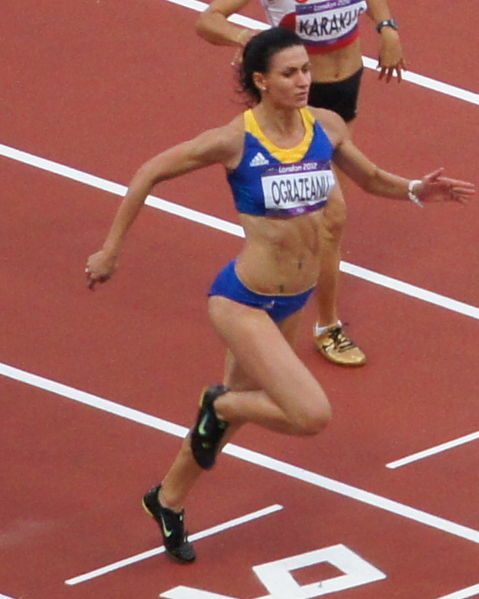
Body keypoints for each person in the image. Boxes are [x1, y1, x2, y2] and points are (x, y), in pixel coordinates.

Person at [85, 28, 474, 563]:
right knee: (309, 414)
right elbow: (150, 171)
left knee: (237, 417)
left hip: (294, 299)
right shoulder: (235, 140)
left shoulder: (327, 127)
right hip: (244, 299)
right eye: (290, 73)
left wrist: (413, 189)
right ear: (261, 81)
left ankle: (167, 499)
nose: (302, 81)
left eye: (305, 71)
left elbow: (371, 179)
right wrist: (110, 250)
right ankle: (217, 404)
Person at [196, 0, 407, 366]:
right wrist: (245, 37)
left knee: (326, 219)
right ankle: (324, 325)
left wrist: (387, 26)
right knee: (330, 217)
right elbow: (208, 20)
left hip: (346, 90)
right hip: (301, 101)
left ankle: (280, 293)